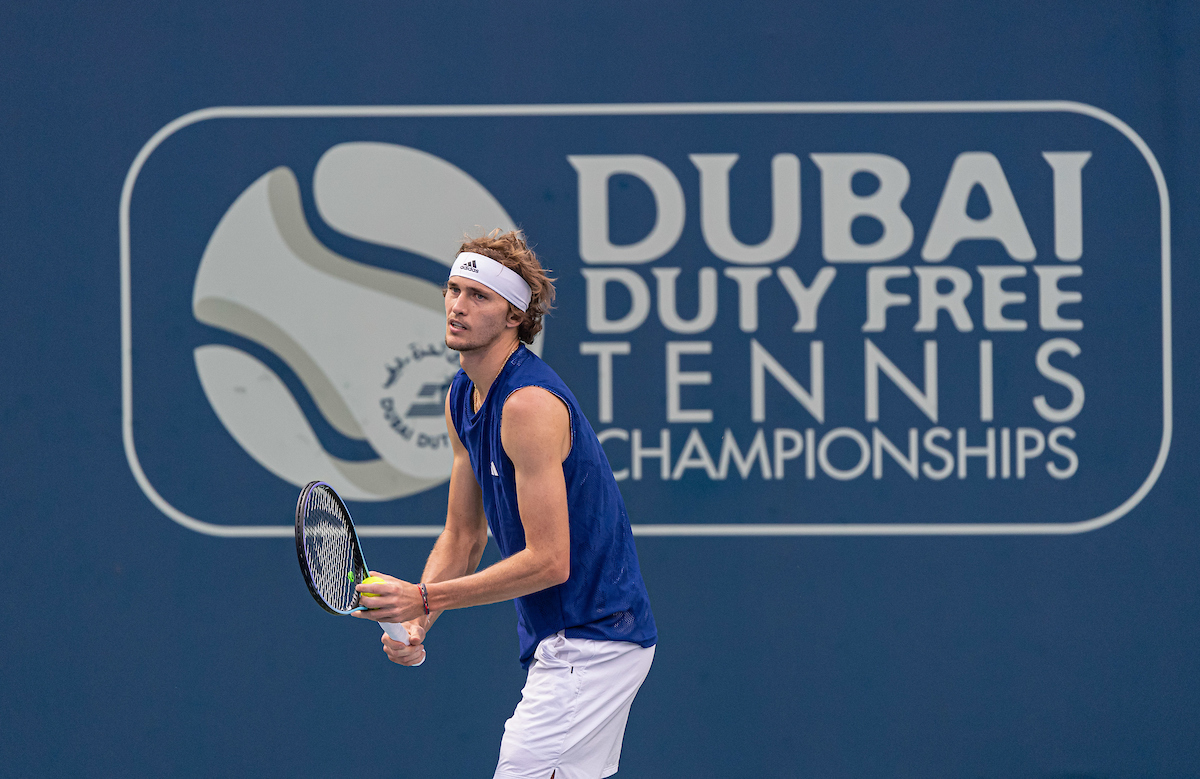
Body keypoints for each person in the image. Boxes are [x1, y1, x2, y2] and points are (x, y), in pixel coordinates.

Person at [353, 229, 657, 779]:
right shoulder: (459, 397)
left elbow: (549, 561)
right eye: (453, 290)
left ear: (515, 315)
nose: (458, 307)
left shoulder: (528, 406)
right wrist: (421, 620)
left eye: (479, 296)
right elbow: (463, 536)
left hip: (593, 641)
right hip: (570, 643)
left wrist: (422, 595)